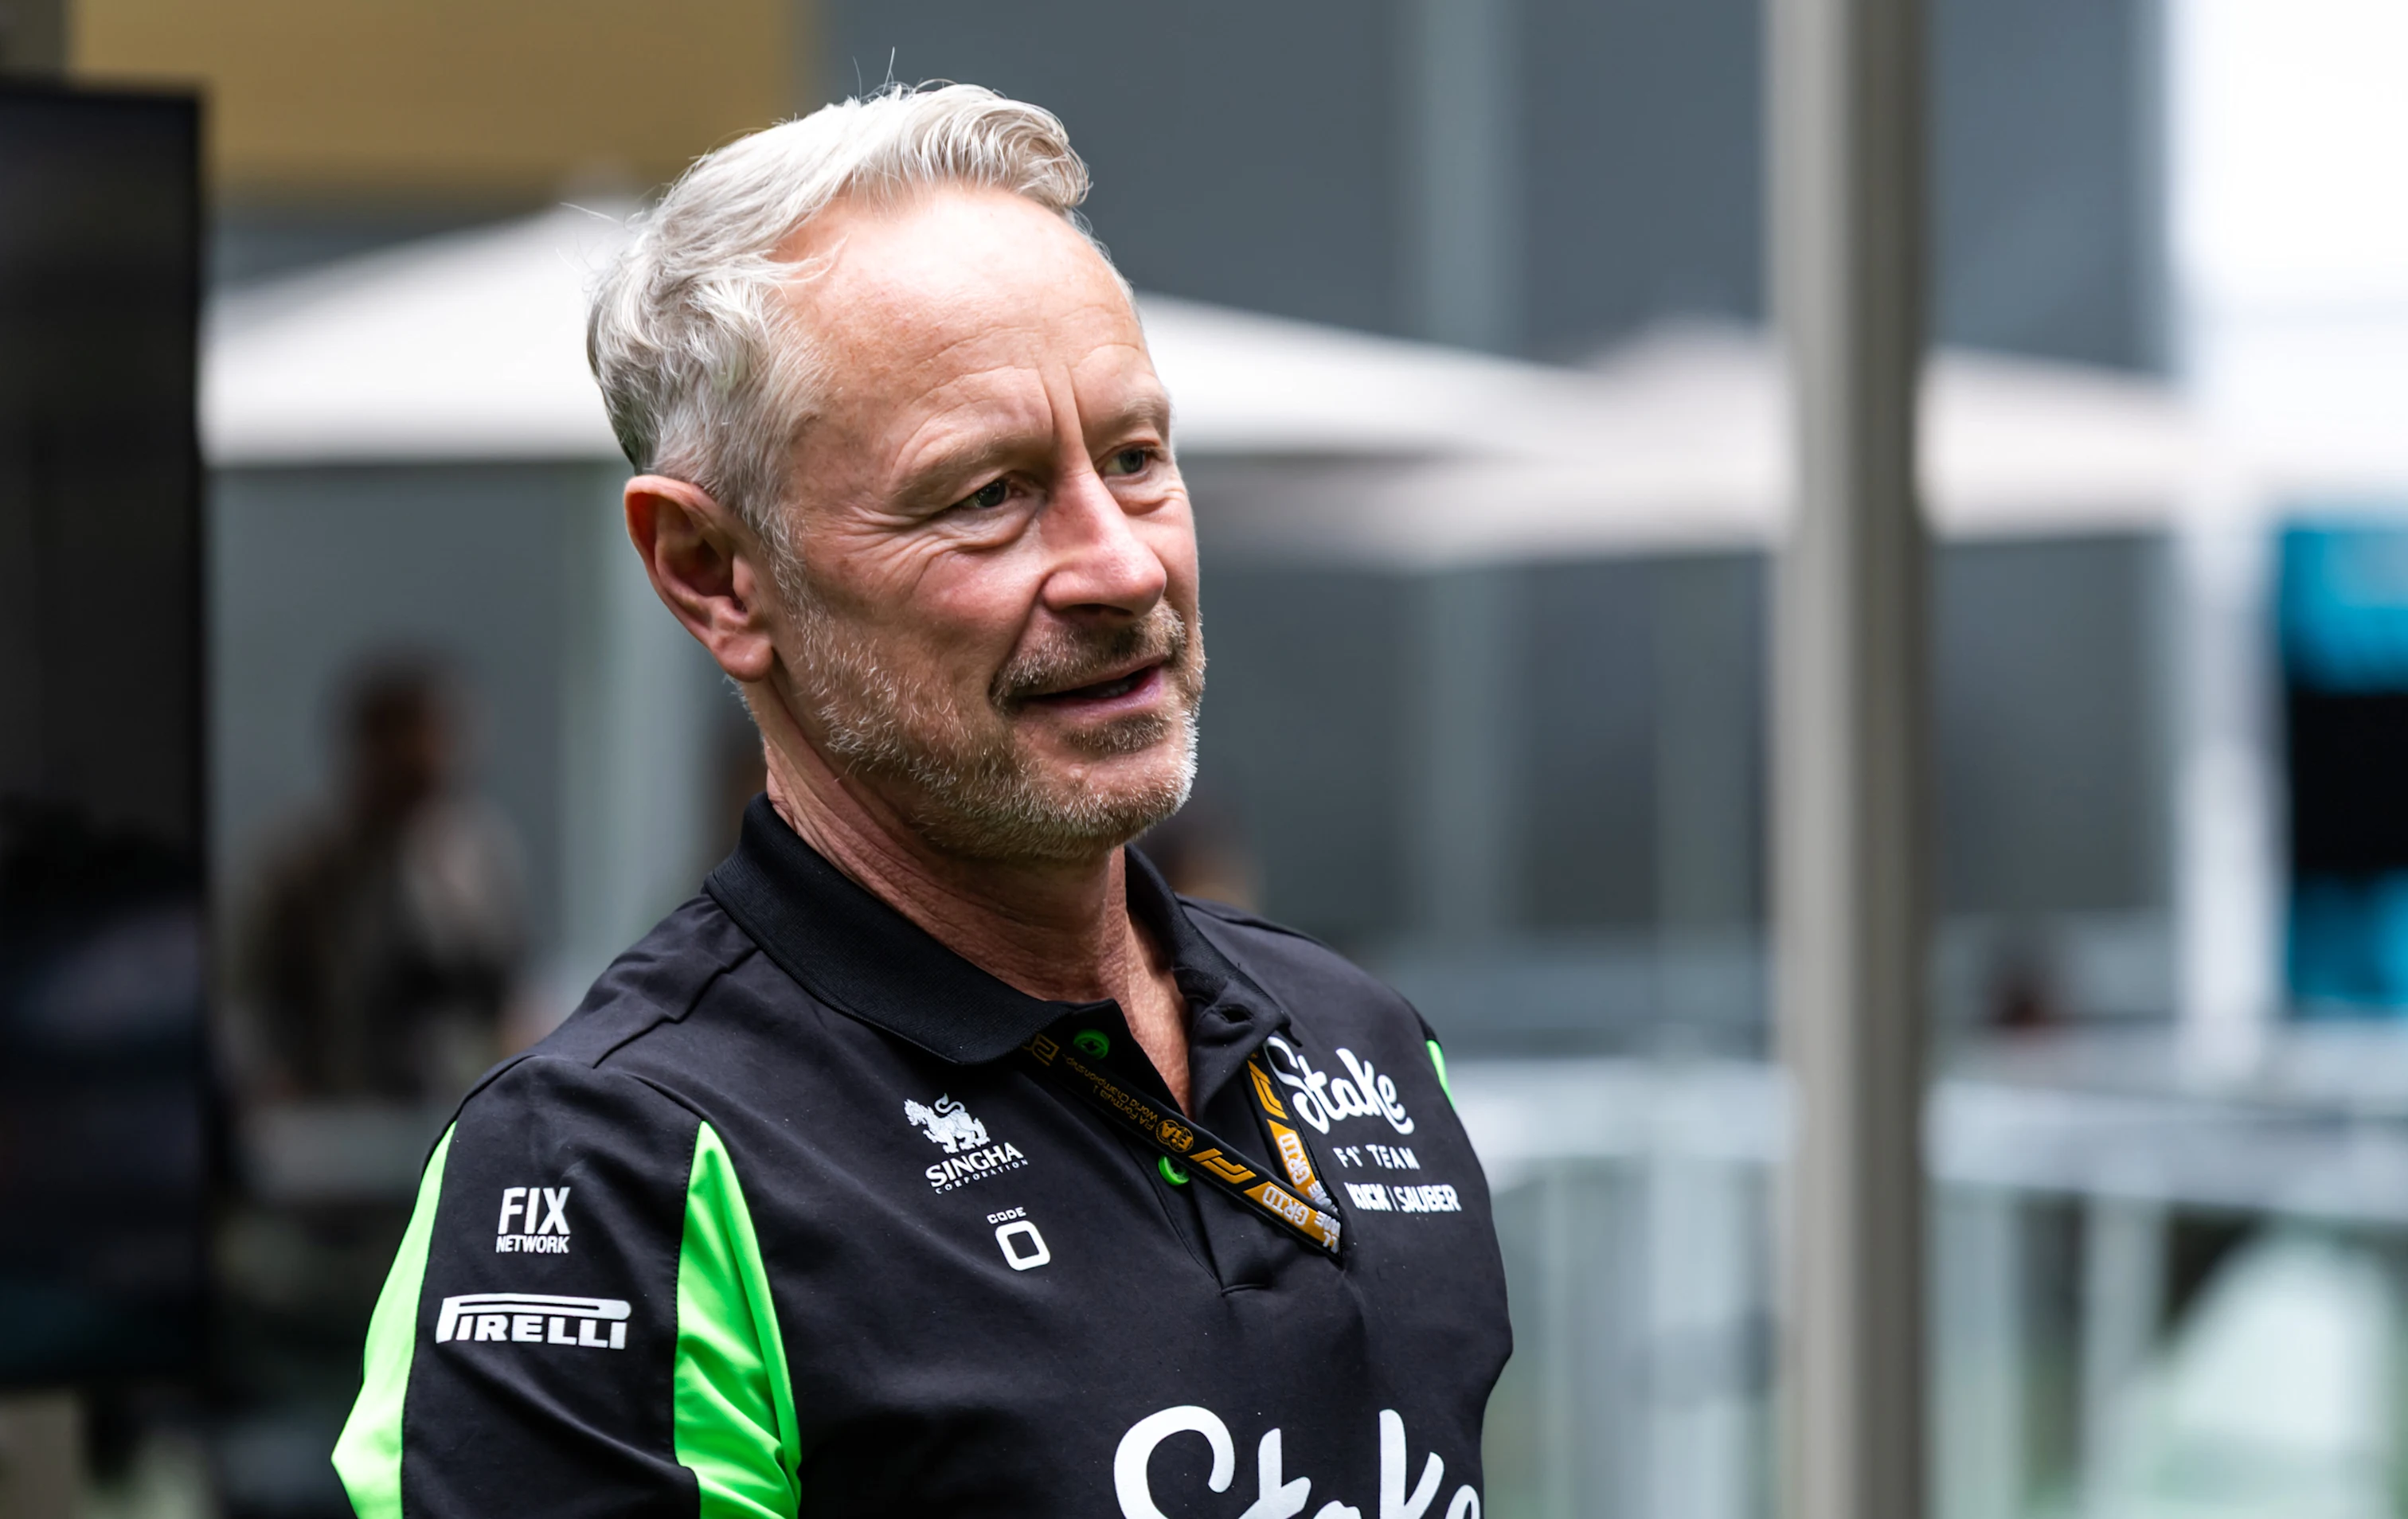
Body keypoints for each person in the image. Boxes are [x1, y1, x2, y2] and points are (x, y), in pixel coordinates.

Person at [334, 85, 1510, 1518]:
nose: (1120, 567)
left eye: (1135, 458)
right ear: (714, 574)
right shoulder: (614, 1164)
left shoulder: (1364, 1042)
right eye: (985, 494)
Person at [235, 657, 526, 1107]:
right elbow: (257, 1006)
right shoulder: (301, 871)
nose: (426, 757)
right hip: (334, 1113)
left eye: (438, 737)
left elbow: (504, 991)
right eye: (406, 739)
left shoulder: (481, 859)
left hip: (456, 1107)